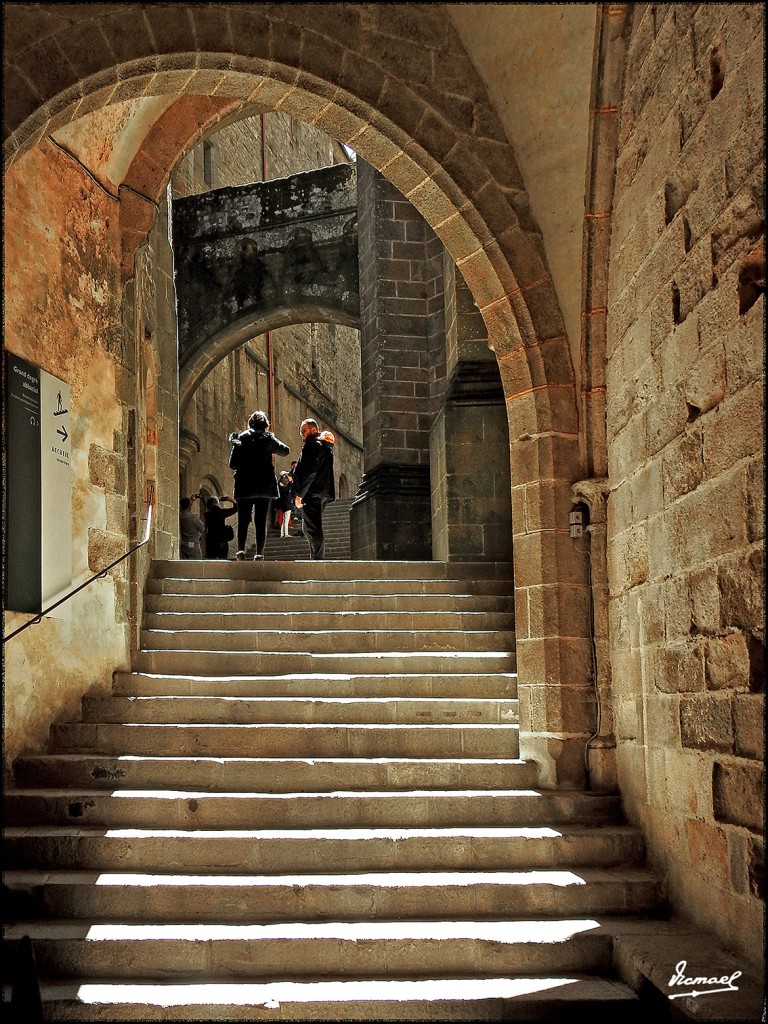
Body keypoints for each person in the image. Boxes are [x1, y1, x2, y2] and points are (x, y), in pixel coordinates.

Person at [228, 410, 290, 560]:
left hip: (245, 484)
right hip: (264, 485)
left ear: (250, 423)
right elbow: (285, 451)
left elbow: (232, 464)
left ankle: (241, 550)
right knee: (260, 521)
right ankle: (259, 554)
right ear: (265, 425)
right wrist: (271, 444)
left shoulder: (241, 438)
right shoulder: (267, 439)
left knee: (243, 519)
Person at [291, 419, 335, 560]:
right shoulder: (323, 447)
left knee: (312, 528)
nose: (302, 435)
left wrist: (300, 494)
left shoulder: (312, 446)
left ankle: (317, 560)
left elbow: (310, 472)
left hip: (312, 493)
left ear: (313, 430)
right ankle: (316, 558)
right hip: (321, 492)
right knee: (308, 527)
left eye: (304, 431)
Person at [277, 471, 293, 538]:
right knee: (286, 519)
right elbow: (287, 489)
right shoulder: (283, 488)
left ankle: (282, 534)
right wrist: (290, 482)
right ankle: (285, 533)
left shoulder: (281, 487)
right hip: (286, 505)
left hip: (284, 505)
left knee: (284, 520)